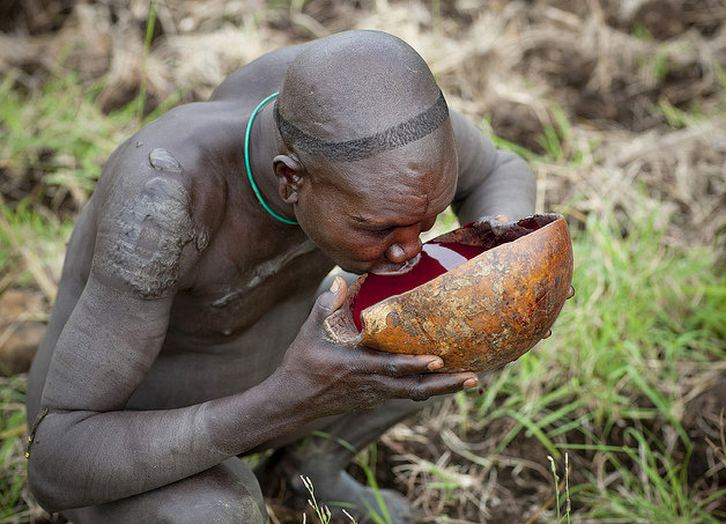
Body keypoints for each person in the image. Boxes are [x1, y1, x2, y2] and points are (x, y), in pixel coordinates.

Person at [25, 30, 536, 523]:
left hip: (287, 387)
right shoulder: (168, 199)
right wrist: (285, 401)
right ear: (291, 178)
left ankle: (306, 469)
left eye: (425, 223)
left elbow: (498, 170)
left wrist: (496, 272)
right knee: (216, 513)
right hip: (132, 441)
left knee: (487, 320)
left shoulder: (379, 128)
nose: (409, 251)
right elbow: (57, 463)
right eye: (379, 228)